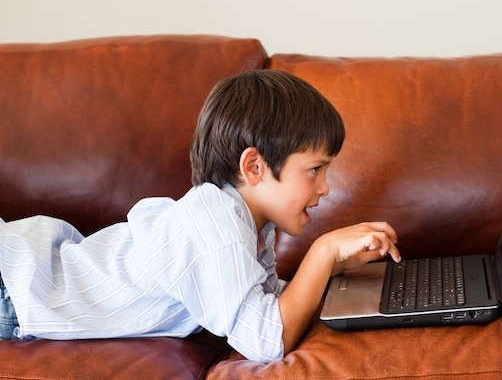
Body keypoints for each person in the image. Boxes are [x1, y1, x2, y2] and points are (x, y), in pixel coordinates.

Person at [0, 70, 401, 363]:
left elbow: (264, 303)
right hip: (14, 285)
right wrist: (323, 252)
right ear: (254, 168)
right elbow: (266, 339)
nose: (325, 187)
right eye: (315, 170)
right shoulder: (217, 229)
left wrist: (333, 269)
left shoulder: (245, 222)